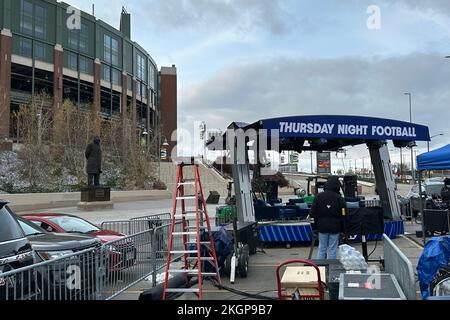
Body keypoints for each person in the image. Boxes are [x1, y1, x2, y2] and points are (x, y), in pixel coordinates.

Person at [311, 176, 346, 260]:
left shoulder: (318, 198)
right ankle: (331, 268)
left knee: (322, 247)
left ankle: (320, 268)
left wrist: (314, 228)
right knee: (332, 248)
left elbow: (313, 214)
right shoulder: (340, 199)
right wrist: (343, 230)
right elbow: (344, 215)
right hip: (335, 227)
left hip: (322, 227)